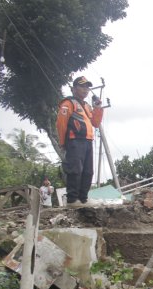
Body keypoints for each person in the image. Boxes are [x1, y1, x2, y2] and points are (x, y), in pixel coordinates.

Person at [56, 75, 103, 207]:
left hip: (88, 141)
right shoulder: (68, 103)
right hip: (74, 141)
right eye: (82, 86)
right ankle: (72, 200)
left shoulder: (87, 106)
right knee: (75, 170)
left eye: (87, 87)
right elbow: (61, 123)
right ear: (74, 88)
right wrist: (62, 142)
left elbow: (96, 123)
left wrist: (98, 108)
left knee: (88, 171)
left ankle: (83, 198)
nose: (86, 89)